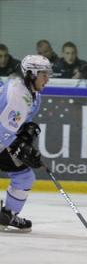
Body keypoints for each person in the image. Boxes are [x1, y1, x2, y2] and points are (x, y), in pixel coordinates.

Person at [0, 55, 51, 232]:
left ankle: (7, 216)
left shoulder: (30, 92)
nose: (47, 79)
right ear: (31, 74)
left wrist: (23, 135)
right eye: (43, 74)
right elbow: (2, 133)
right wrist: (21, 147)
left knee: (24, 176)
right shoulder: (19, 96)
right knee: (24, 174)